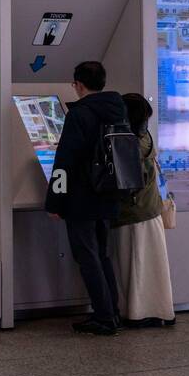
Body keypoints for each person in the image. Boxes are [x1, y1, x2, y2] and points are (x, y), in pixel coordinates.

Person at [45, 60, 130, 335]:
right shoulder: (118, 110)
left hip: (82, 198)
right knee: (102, 255)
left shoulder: (78, 114)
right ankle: (112, 312)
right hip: (109, 192)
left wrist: (55, 201)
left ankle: (103, 317)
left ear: (78, 84)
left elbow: (64, 161)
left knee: (87, 256)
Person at [110, 93, 175, 327]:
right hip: (150, 210)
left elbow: (125, 182)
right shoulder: (144, 135)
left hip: (134, 214)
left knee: (135, 266)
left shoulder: (128, 142)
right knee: (151, 266)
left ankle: (137, 313)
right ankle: (159, 310)